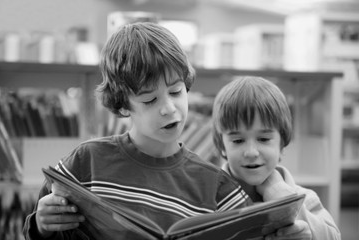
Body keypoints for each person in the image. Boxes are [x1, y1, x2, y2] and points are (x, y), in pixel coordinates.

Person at [22, 22, 253, 240]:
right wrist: (42, 226)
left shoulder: (215, 185)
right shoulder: (86, 162)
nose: (169, 108)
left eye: (176, 92)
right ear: (123, 105)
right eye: (150, 100)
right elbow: (41, 228)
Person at [212, 76, 341, 240]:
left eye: (264, 139)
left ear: (281, 145)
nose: (251, 152)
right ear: (222, 146)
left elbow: (334, 237)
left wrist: (285, 199)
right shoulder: (206, 199)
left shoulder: (303, 197)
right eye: (238, 141)